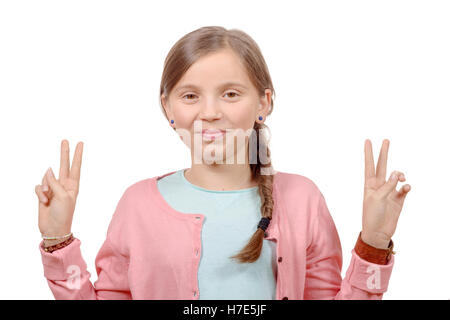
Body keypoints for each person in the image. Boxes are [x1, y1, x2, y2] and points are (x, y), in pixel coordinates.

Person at [35, 26, 411, 300]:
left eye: (230, 94)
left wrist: (374, 245)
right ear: (168, 107)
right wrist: (58, 241)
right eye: (190, 95)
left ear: (263, 103)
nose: (210, 112)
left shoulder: (302, 199)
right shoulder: (138, 204)